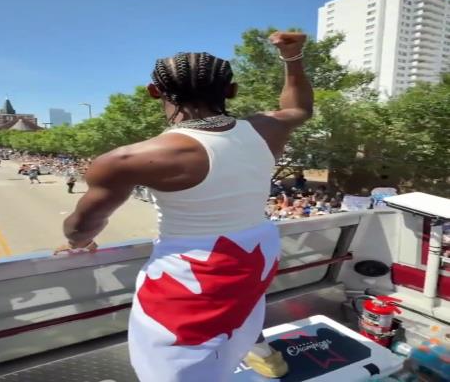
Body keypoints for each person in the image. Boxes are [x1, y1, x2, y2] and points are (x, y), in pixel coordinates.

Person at [55, 31, 312, 381]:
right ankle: (261, 355)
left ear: (154, 91)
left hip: (193, 275)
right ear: (231, 91)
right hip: (257, 254)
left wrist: (77, 243)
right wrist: (293, 56)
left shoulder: (128, 159)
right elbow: (299, 108)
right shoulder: (267, 129)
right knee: (243, 312)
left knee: (172, 366)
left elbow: (82, 226)